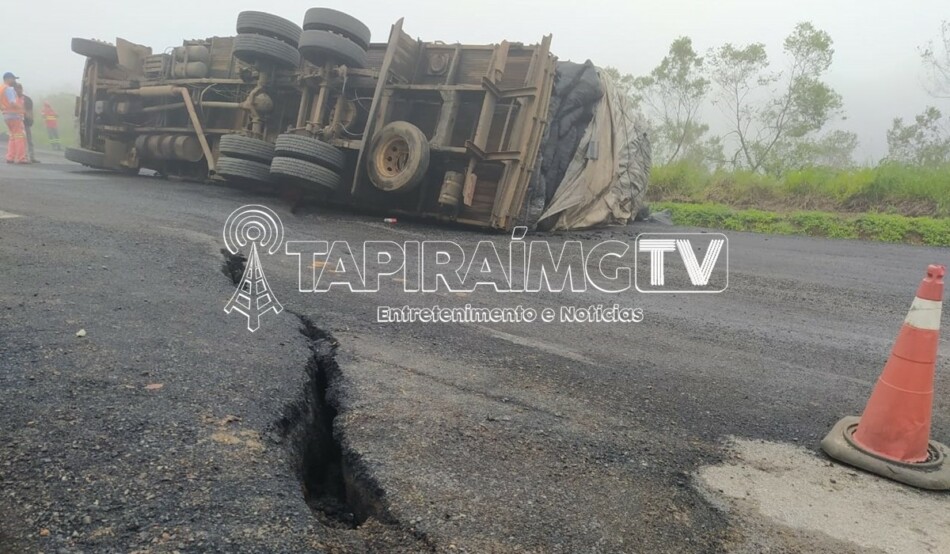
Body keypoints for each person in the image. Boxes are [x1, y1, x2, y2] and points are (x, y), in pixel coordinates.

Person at [0, 72, 28, 164]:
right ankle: (21, 158)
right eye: (13, 79)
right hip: (15, 115)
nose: (14, 81)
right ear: (8, 79)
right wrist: (22, 109)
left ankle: (10, 157)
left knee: (12, 136)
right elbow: (12, 102)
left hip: (6, 115)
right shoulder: (9, 89)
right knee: (19, 136)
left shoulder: (1, 88)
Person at [14, 84, 38, 163]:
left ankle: (32, 156)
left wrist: (31, 119)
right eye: (16, 89)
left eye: (19, 89)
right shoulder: (13, 99)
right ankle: (21, 156)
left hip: (25, 122)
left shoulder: (27, 99)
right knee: (18, 140)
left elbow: (30, 111)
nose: (18, 91)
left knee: (29, 140)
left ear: (21, 89)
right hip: (16, 123)